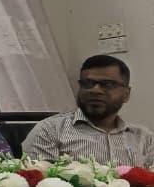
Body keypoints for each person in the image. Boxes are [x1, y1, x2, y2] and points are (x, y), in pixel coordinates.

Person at [21, 55, 154, 165]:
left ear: (126, 94)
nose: (95, 90)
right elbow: (38, 183)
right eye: (87, 83)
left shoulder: (144, 138)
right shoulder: (50, 130)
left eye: (107, 84)